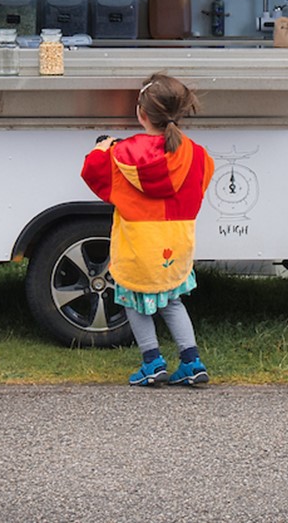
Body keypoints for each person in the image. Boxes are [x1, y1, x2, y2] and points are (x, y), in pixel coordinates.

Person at [81, 73, 215, 387]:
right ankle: (192, 362)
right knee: (172, 301)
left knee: (133, 301)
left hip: (137, 245)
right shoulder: (196, 154)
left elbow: (92, 172)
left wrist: (103, 148)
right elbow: (202, 180)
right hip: (175, 244)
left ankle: (152, 361)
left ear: (141, 114)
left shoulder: (120, 154)